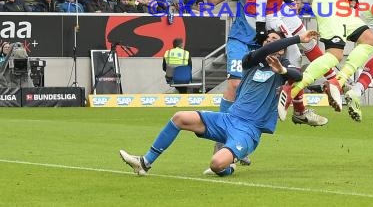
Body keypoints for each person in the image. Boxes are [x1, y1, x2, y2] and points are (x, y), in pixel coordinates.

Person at [119, 30, 318, 177]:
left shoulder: (286, 67)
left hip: (249, 130)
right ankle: (144, 163)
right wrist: (297, 38)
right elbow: (265, 51)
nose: (269, 42)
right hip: (228, 118)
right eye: (267, 39)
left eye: (275, 40)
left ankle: (229, 166)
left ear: (283, 48)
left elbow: (297, 76)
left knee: (216, 164)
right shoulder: (250, 60)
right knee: (180, 117)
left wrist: (282, 71)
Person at [199, 0, 326, 127]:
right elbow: (212, 1)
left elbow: (288, 6)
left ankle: (300, 110)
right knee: (235, 85)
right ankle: (223, 132)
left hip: (267, 41)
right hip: (242, 37)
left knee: (292, 64)